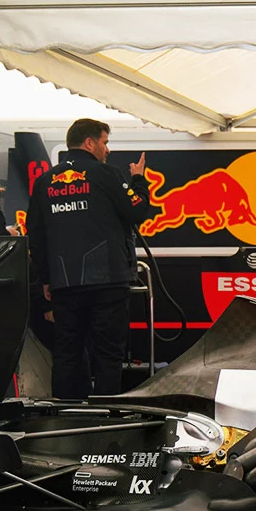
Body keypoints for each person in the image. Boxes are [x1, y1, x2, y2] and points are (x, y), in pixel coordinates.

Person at [27, 118, 156, 400]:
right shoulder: (106, 174)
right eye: (105, 142)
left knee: (67, 353)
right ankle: (106, 417)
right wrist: (138, 179)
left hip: (64, 284)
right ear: (89, 143)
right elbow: (138, 211)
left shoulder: (44, 182)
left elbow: (34, 236)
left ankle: (63, 415)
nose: (107, 150)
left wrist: (46, 280)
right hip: (108, 281)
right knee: (109, 354)